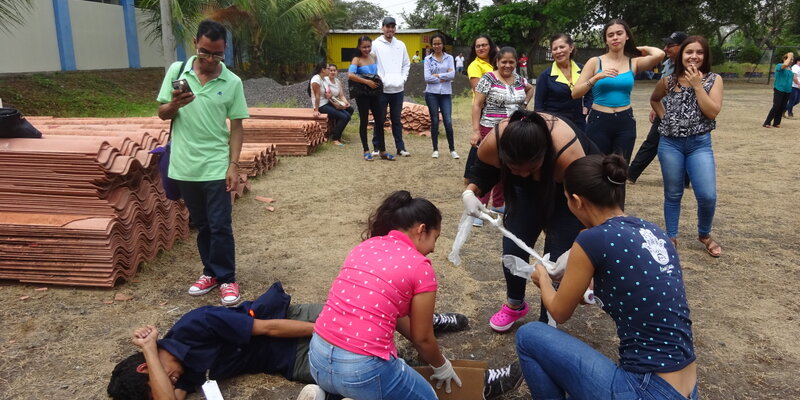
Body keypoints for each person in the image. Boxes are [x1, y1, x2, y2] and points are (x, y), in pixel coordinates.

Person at [516, 153, 698, 400]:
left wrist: (544, 279)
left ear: (577, 201)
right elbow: (635, 291)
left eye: (567, 199)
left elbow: (559, 312)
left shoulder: (591, 239)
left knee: (528, 336)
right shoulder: (652, 231)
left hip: (646, 389)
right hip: (686, 387)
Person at [107, 281, 475, 400]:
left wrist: (330, 330)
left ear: (148, 365)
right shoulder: (178, 373)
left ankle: (428, 325)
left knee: (372, 313)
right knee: (377, 371)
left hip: (292, 323)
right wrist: (152, 355)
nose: (174, 384)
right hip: (290, 360)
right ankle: (472, 382)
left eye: (165, 377)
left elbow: (269, 329)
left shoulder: (195, 325)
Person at [308, 191, 462, 400]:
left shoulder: (364, 247)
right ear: (422, 230)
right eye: (436, 238)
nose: (434, 248)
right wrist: (441, 365)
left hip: (317, 360)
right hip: (362, 372)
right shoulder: (420, 266)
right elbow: (423, 337)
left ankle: (325, 395)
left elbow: (401, 321)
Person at [463, 109, 599, 332]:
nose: (522, 173)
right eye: (513, 168)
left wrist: (585, 239)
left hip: (569, 190)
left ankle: (549, 319)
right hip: (526, 191)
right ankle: (515, 304)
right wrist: (470, 192)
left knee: (556, 258)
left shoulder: (567, 154)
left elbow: (588, 201)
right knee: (512, 246)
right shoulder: (495, 142)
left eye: (529, 169)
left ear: (544, 156)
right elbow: (482, 170)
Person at [156, 20, 248, 305]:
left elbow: (237, 127)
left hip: (216, 164)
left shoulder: (232, 82)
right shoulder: (177, 71)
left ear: (225, 51)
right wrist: (174, 105)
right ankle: (209, 272)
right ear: (195, 43)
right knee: (202, 224)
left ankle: (227, 278)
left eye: (217, 55)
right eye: (205, 52)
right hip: (185, 165)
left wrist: (233, 165)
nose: (210, 60)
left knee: (220, 224)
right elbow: (162, 113)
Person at [650, 36, 724, 257]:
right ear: (681, 56)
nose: (694, 56)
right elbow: (655, 99)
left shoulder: (714, 79)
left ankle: (704, 234)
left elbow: (712, 112)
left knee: (707, 195)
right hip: (670, 144)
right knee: (673, 193)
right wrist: (665, 119)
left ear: (705, 56)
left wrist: (697, 86)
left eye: (699, 52)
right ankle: (671, 236)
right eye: (689, 52)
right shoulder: (668, 81)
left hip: (699, 144)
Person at [572, 19, 665, 164]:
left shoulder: (633, 62)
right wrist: (596, 77)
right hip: (598, 120)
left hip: (625, 121)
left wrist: (640, 48)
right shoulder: (595, 62)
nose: (615, 37)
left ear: (627, 36)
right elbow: (575, 93)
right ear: (606, 41)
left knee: (620, 170)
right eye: (610, 35)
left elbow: (659, 54)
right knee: (598, 168)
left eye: (619, 33)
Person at [469, 47, 534, 227]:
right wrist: (475, 131)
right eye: (503, 62)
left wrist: (525, 104)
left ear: (516, 63)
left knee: (506, 166)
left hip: (512, 131)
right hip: (489, 129)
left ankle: (499, 204)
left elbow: (530, 89)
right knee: (487, 167)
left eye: (511, 62)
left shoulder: (520, 80)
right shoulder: (488, 78)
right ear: (497, 62)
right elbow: (477, 105)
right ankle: (479, 208)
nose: (507, 65)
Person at [628, 31, 688, 183]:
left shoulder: (689, 66)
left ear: (683, 47)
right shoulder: (668, 64)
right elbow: (662, 89)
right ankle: (631, 173)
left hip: (682, 112)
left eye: (671, 45)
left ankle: (684, 179)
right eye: (666, 45)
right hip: (664, 109)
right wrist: (656, 107)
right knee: (652, 142)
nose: (666, 48)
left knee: (682, 144)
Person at [534, 33, 593, 132]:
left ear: (571, 48)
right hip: (555, 125)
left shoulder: (583, 70)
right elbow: (539, 106)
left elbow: (590, 91)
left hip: (579, 123)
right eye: (555, 49)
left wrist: (587, 106)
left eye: (562, 47)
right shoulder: (545, 76)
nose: (558, 51)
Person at [372, 17, 411, 157]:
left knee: (396, 120)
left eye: (393, 26)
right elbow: (371, 64)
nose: (390, 29)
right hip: (382, 90)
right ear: (382, 28)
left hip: (398, 90)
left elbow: (406, 64)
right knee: (379, 119)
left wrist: (403, 79)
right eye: (388, 26)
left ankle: (400, 148)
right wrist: (379, 80)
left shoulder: (401, 45)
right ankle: (377, 147)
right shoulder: (375, 44)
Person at [348, 36, 388, 161]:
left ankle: (383, 151)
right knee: (364, 121)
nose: (366, 49)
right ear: (359, 47)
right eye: (364, 47)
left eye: (368, 46)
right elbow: (350, 75)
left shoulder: (373, 57)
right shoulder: (356, 59)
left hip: (374, 93)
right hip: (362, 95)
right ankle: (366, 150)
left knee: (379, 121)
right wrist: (366, 82)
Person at [424, 34, 459, 159]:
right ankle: (435, 149)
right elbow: (427, 78)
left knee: (448, 121)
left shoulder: (449, 58)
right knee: (434, 121)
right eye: (434, 44)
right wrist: (444, 76)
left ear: (443, 44)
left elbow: (453, 75)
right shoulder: (428, 59)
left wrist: (437, 76)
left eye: (439, 43)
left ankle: (452, 149)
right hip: (431, 93)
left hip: (445, 93)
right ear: (432, 45)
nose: (437, 46)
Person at [762, 52, 795, 128]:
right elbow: (785, 65)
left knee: (782, 106)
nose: (791, 61)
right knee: (776, 105)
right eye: (790, 59)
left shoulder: (790, 69)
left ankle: (776, 123)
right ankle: (767, 122)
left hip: (787, 90)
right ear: (784, 59)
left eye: (792, 60)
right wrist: (789, 56)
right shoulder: (779, 66)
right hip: (779, 89)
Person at [326, 63, 355, 145]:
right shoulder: (326, 81)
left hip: (337, 101)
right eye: (330, 70)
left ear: (337, 71)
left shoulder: (337, 81)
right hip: (330, 102)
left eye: (334, 70)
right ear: (328, 71)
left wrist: (346, 103)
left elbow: (341, 95)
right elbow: (329, 96)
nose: (332, 72)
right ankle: (335, 138)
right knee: (345, 116)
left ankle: (337, 133)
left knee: (350, 109)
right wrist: (339, 105)